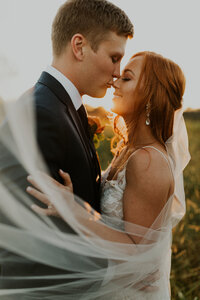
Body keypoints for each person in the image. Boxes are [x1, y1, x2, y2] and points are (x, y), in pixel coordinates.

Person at [24, 51, 191, 299]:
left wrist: (73, 210)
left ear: (150, 96)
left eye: (127, 78)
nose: (115, 81)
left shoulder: (147, 161)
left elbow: (137, 255)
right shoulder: (129, 150)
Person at [0, 0, 133, 289]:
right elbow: (24, 238)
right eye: (114, 58)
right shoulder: (42, 113)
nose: (117, 72)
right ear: (79, 46)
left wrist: (79, 211)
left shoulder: (64, 106)